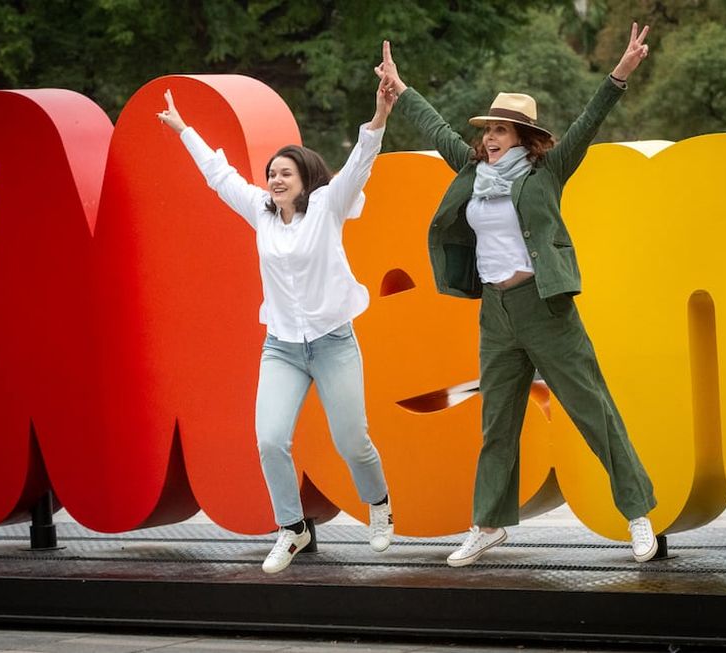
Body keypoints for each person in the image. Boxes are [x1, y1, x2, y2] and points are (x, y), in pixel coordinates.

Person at [375, 25, 659, 565]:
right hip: (496, 312)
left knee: (592, 410)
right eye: (488, 130)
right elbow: (436, 128)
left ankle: (638, 515)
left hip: (545, 307)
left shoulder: (547, 171)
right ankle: (487, 525)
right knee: (497, 425)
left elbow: (588, 122)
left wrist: (620, 73)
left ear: (524, 138)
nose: (490, 138)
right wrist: (400, 87)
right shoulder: (472, 170)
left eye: (501, 130)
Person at [156, 78, 396, 573]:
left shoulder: (327, 206)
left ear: (306, 178)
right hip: (282, 348)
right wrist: (184, 130)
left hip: (333, 343)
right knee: (269, 440)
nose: (275, 179)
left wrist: (380, 114)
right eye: (271, 173)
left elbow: (360, 162)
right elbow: (219, 176)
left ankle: (379, 504)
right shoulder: (260, 213)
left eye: (285, 173)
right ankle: (291, 527)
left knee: (352, 440)